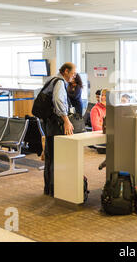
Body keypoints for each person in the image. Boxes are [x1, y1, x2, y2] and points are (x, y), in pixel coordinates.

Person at [41, 62, 76, 197]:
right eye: (72, 74)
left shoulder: (51, 79)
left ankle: (49, 188)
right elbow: (59, 101)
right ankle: (56, 189)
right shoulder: (60, 82)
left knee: (50, 156)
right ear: (66, 71)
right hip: (55, 124)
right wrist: (66, 121)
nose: (73, 77)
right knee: (57, 157)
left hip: (48, 122)